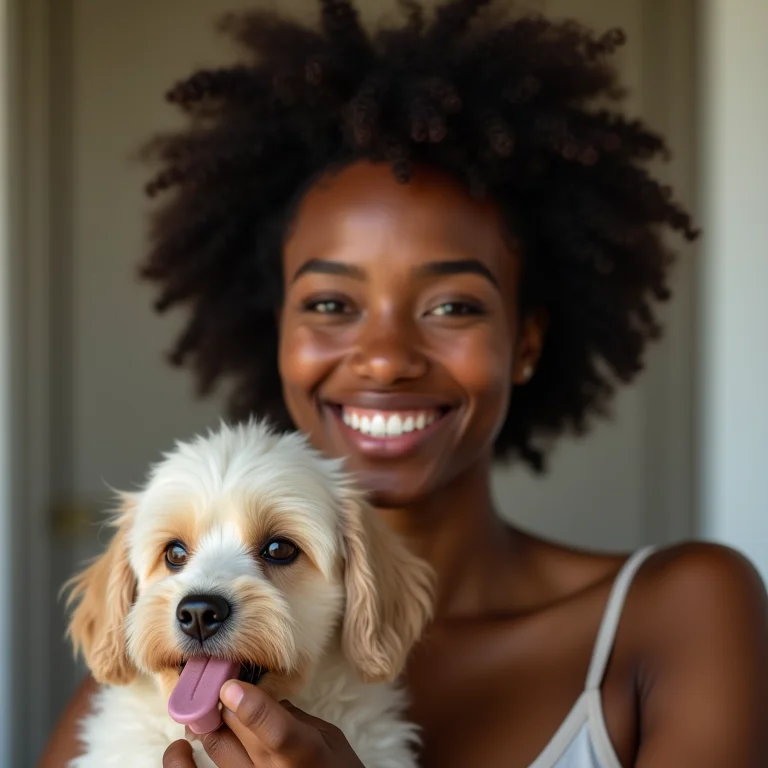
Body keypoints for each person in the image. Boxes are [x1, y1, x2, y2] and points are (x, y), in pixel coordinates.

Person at [39, 1, 768, 766]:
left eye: (452, 304)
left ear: (526, 341)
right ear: (279, 333)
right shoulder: (166, 662)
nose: (385, 357)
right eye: (329, 304)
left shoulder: (680, 609)